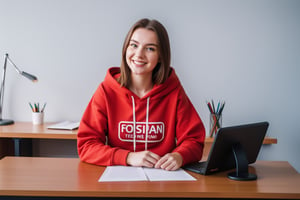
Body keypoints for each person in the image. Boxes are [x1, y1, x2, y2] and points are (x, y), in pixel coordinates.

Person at [77, 18, 205, 171]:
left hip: (163, 182)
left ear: (161, 56)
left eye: (150, 48)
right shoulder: (106, 91)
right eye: (134, 45)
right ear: (126, 48)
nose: (139, 54)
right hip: (117, 183)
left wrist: (179, 156)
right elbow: (86, 145)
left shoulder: (174, 92)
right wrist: (128, 157)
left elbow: (195, 140)